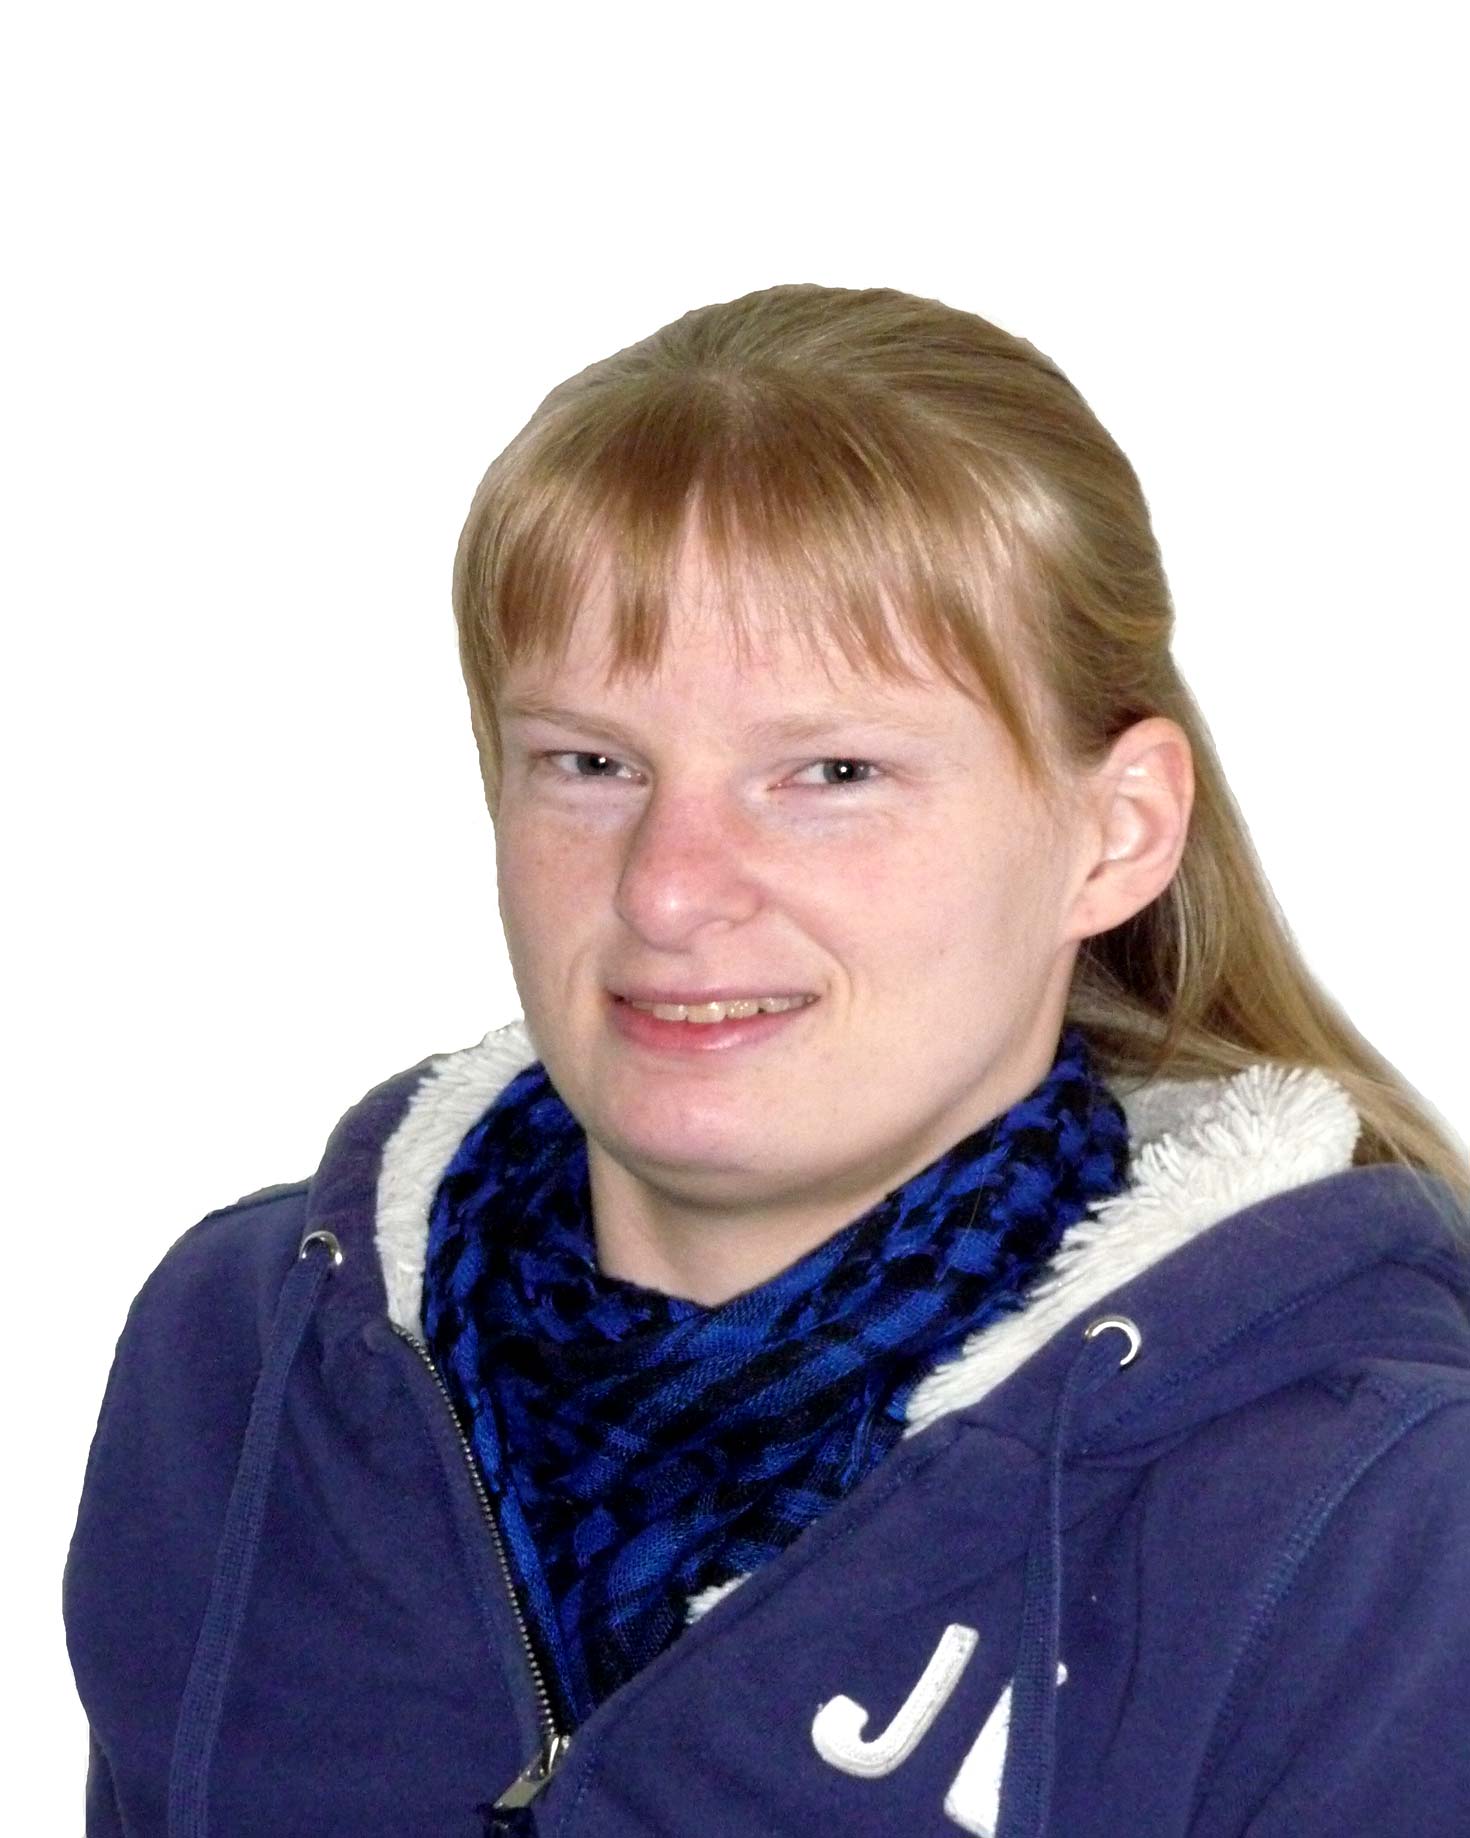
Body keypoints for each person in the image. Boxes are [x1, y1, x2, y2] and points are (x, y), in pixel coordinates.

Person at [65, 284, 1470, 1838]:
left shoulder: (1371, 1520)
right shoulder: (243, 1355)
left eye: (830, 771)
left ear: (1114, 833)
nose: (669, 888)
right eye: (590, 761)